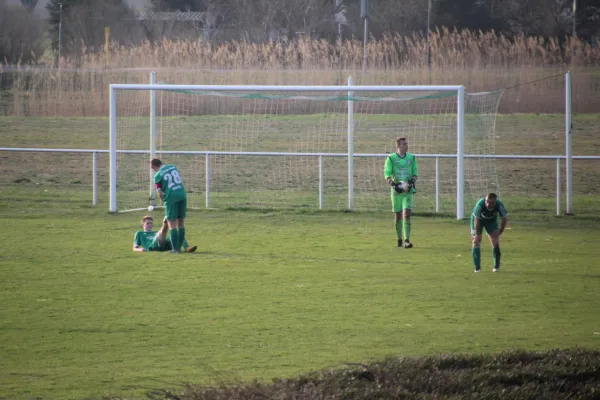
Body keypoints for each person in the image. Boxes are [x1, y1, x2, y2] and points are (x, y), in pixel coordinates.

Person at [384, 137, 418, 248]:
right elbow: (387, 174)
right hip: (396, 192)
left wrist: (410, 182)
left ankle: (407, 240)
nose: (407, 145)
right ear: (398, 146)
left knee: (406, 214)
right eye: (404, 144)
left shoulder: (412, 158)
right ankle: (399, 239)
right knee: (398, 216)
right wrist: (394, 185)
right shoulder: (391, 158)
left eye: (407, 143)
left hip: (407, 191)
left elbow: (415, 174)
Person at [151, 158, 188, 253]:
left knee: (172, 224)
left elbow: (159, 192)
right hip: (182, 194)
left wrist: (164, 200)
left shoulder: (157, 175)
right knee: (181, 222)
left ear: (154, 167)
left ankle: (175, 249)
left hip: (171, 197)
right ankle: (180, 247)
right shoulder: (173, 167)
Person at [471, 193, 508, 272]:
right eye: (487, 201)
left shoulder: (499, 205)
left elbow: (504, 219)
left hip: (491, 221)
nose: (488, 204)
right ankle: (477, 269)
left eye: (491, 203)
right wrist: (477, 235)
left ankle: (496, 267)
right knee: (476, 241)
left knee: (495, 240)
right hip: (478, 221)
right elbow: (476, 220)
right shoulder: (480, 204)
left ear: (495, 202)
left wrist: (500, 232)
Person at [133, 215, 197, 253]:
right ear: (142, 224)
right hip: (152, 247)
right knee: (162, 231)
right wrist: (140, 249)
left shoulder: (155, 232)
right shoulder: (140, 233)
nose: (150, 225)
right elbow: (135, 248)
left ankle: (187, 248)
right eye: (148, 223)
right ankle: (166, 221)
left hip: (164, 246)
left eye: (151, 223)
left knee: (176, 233)